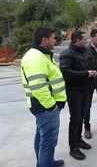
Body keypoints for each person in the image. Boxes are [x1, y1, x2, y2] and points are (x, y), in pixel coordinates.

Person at [21, 27, 66, 167]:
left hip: (45, 107)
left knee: (41, 136)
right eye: (53, 38)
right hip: (46, 107)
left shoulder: (41, 55)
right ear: (44, 40)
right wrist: (51, 106)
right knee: (48, 141)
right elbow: (38, 87)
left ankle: (45, 163)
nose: (55, 40)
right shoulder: (35, 57)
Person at [59, 30, 97, 161]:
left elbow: (85, 67)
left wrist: (91, 73)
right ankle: (73, 147)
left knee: (81, 116)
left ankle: (79, 139)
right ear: (77, 40)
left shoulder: (84, 52)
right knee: (75, 118)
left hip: (84, 89)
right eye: (84, 39)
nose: (86, 41)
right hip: (74, 91)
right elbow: (66, 72)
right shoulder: (67, 54)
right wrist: (86, 74)